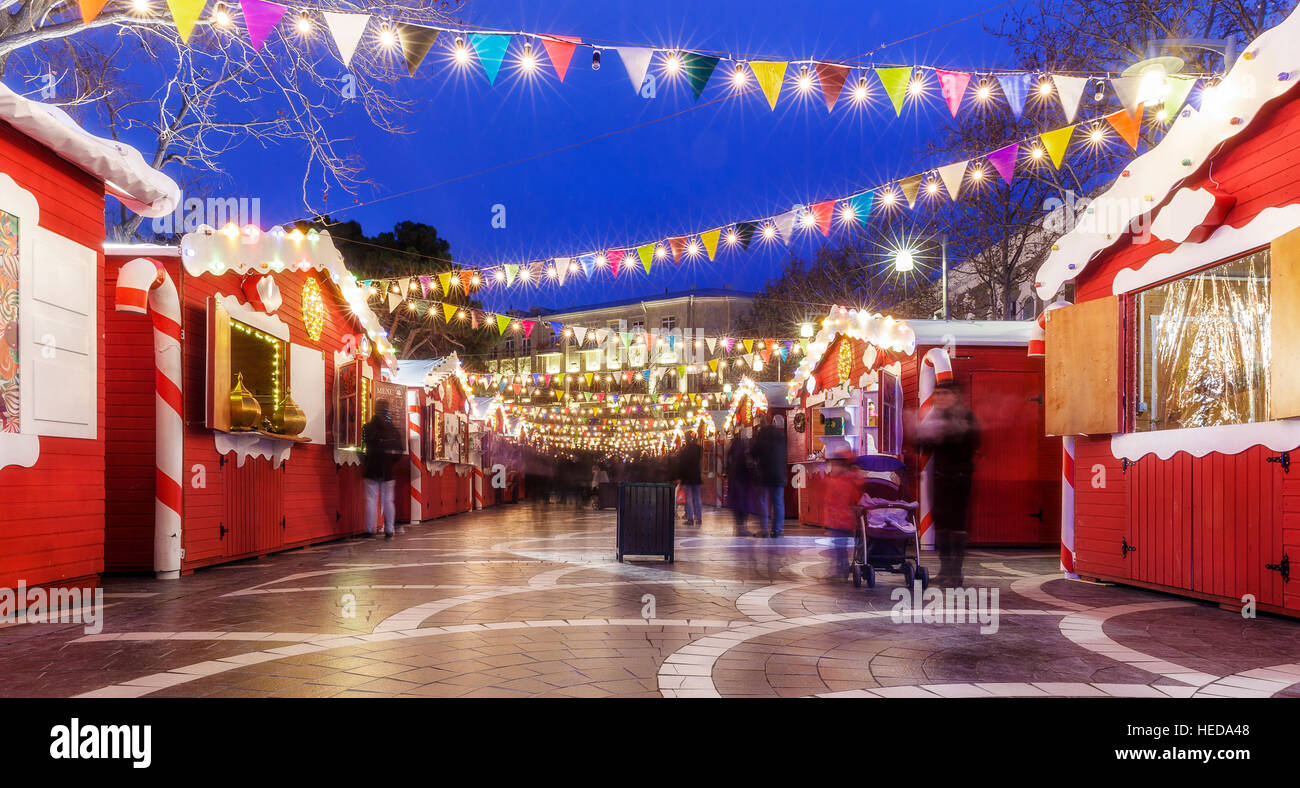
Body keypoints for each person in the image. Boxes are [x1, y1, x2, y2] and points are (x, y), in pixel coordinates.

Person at [912, 379, 981, 586]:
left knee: (956, 525)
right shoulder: (936, 417)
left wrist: (942, 434)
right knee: (941, 525)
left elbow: (973, 442)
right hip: (940, 477)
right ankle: (944, 571)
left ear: (955, 395)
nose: (940, 398)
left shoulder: (966, 416)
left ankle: (956, 573)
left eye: (944, 393)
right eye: (937, 393)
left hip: (959, 477)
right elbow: (921, 445)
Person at [362, 399, 403, 539]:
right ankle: (389, 529)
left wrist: (366, 460)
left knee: (371, 499)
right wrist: (391, 461)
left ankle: (370, 529)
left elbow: (363, 449)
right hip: (387, 469)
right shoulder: (393, 430)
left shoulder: (367, 427)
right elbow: (399, 451)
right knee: (388, 500)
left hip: (372, 467)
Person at [751, 414, 788, 538]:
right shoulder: (781, 437)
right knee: (778, 502)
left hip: (765, 474)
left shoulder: (762, 436)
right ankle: (778, 529)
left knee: (762, 501)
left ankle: (765, 529)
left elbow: (754, 453)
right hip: (779, 474)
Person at [726, 432, 753, 536]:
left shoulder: (732, 455)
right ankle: (742, 528)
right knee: (743, 504)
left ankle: (739, 527)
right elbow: (746, 468)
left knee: (738, 505)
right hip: (741, 481)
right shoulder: (742, 455)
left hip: (734, 481)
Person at [676, 432, 704, 526]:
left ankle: (690, 519)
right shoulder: (699, 449)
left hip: (687, 477)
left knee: (688, 498)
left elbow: (681, 465)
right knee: (697, 497)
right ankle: (699, 518)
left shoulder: (684, 451)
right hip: (696, 476)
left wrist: (679, 477)